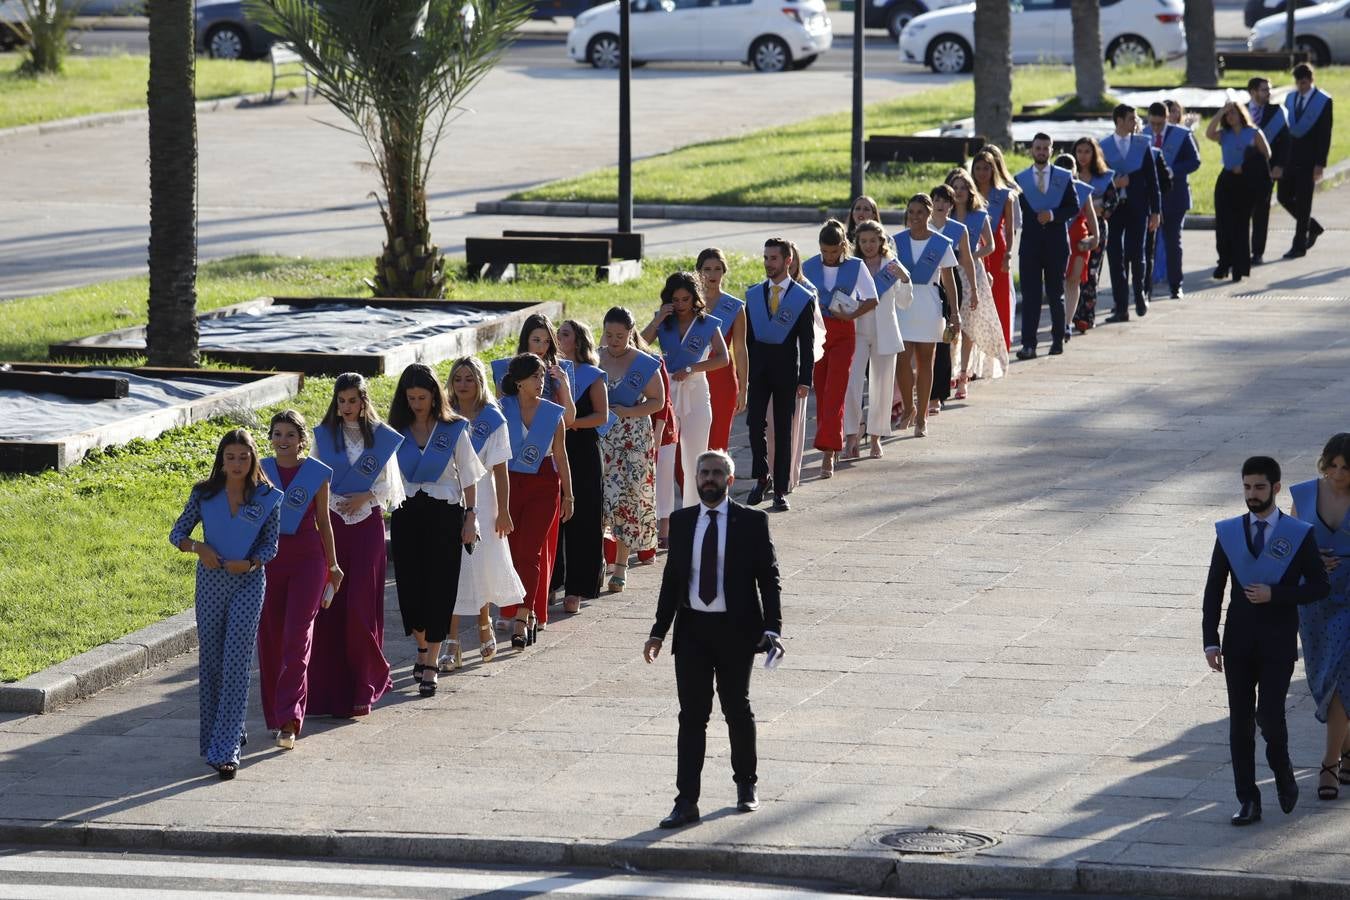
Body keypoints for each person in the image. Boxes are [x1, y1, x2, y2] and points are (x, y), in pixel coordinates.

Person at [643, 449, 784, 829]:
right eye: (703, 472)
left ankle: (746, 786)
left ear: (729, 480)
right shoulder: (683, 520)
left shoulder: (752, 522)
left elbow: (768, 578)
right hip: (692, 633)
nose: (708, 478)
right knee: (692, 717)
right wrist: (658, 631)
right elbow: (672, 580)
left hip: (736, 632)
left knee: (737, 710)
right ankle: (686, 800)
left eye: (716, 473)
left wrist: (773, 628)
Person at [1203, 456, 1329, 825]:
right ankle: (1248, 799)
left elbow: (1320, 586)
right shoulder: (1229, 533)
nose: (1252, 494)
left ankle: (1283, 769)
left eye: (1259, 487)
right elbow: (1214, 589)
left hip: (1276, 642)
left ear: (1275, 488)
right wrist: (1210, 640)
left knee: (1270, 717)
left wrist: (1277, 595)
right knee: (1240, 723)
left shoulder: (1298, 534)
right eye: (1246, 487)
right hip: (1238, 643)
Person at [169, 429, 281, 779]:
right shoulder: (205, 494)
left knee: (236, 663)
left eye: (243, 457)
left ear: (253, 459)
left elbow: (271, 546)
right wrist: (198, 548)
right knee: (213, 662)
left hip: (248, 583)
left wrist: (249, 563)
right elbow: (177, 534)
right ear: (221, 459)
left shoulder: (266, 497)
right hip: (211, 585)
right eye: (230, 457)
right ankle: (220, 736)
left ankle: (226, 749)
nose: (236, 463)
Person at [310, 373, 403, 719]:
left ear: (364, 401)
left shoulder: (380, 438)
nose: (347, 407)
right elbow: (315, 478)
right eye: (341, 401)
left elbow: (391, 487)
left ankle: (366, 683)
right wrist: (333, 501)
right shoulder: (324, 437)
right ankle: (330, 692)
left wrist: (365, 495)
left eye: (353, 400)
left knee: (361, 607)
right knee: (331, 607)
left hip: (366, 525)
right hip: (332, 525)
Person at [386, 363, 483, 696]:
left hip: (445, 513)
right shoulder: (395, 431)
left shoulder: (453, 428)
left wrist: (471, 517)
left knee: (440, 587)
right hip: (407, 514)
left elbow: (469, 476)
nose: (417, 403)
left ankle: (431, 662)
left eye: (422, 397)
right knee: (411, 590)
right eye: (411, 397)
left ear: (434, 395)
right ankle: (422, 647)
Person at [257, 410, 340, 751]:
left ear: (302, 439)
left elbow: (324, 520)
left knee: (297, 637)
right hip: (269, 560)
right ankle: (276, 714)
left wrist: (334, 565)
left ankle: (291, 718)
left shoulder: (316, 474)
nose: (283, 441)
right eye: (278, 434)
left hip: (308, 560)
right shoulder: (260, 470)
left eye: (290, 434)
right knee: (272, 639)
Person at [447, 357, 523, 665]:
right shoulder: (445, 416)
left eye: (469, 378)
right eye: (458, 378)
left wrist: (503, 511)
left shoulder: (493, 418)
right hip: (450, 498)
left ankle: (483, 623)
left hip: (484, 501)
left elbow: (501, 471)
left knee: (479, 565)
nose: (463, 384)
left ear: (480, 382)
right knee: (452, 569)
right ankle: (450, 637)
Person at [1288, 434, 1350, 801]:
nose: (1338, 473)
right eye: (1333, 465)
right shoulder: (1302, 495)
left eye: (1346, 468)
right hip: (1314, 599)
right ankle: (1347, 748)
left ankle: (1327, 764)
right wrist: (1311, 563)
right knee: (1324, 677)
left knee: (1343, 671)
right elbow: (1289, 547)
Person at [498, 353, 573, 646]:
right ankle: (518, 610)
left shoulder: (553, 413)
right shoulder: (502, 410)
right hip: (508, 482)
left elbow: (561, 456)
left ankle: (523, 617)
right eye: (534, 377)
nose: (540, 382)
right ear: (518, 382)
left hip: (543, 483)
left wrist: (569, 494)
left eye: (542, 376)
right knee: (511, 551)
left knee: (531, 552)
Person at [643, 272, 730, 506]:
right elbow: (639, 346)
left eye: (685, 299)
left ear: (694, 298)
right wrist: (658, 319)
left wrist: (692, 368)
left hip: (697, 391)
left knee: (695, 457)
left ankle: (694, 510)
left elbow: (723, 358)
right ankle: (664, 519)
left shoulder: (707, 323)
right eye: (676, 299)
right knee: (665, 458)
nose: (681, 305)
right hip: (667, 393)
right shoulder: (663, 321)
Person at [800, 219, 877, 477]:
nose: (829, 257)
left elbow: (872, 298)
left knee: (835, 391)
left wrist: (852, 313)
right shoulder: (808, 266)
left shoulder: (856, 267)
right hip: (819, 334)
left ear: (843, 246)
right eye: (825, 252)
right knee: (821, 392)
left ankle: (828, 452)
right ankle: (829, 444)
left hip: (844, 333)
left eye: (834, 252)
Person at [744, 238, 815, 511]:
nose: (768, 263)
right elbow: (748, 340)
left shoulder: (801, 297)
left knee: (784, 431)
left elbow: (806, 343)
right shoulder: (754, 295)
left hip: (787, 372)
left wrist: (805, 379)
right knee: (754, 426)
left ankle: (780, 489)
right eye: (765, 258)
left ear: (788, 261)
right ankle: (762, 477)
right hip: (759, 372)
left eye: (773, 258)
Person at [600, 308, 664, 591]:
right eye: (609, 334)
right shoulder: (595, 356)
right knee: (600, 499)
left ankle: (622, 565)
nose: (614, 340)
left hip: (632, 439)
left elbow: (658, 401)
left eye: (621, 336)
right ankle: (600, 559)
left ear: (631, 333)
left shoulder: (642, 362)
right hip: (601, 438)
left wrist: (629, 411)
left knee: (626, 498)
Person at [553, 319, 609, 614]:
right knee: (553, 519)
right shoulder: (548, 373)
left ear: (578, 340)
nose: (558, 337)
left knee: (583, 519)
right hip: (553, 450)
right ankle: (551, 583)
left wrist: (574, 423)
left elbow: (602, 415)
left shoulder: (592, 375)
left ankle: (578, 587)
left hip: (583, 450)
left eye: (564, 333)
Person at [894, 193, 958, 438]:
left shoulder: (940, 243)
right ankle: (909, 407)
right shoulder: (896, 240)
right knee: (902, 359)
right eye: (911, 212)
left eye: (920, 212)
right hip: (903, 304)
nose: (915, 217)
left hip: (929, 304)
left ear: (929, 214)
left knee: (925, 362)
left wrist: (954, 313)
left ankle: (922, 417)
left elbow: (948, 280)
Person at [1013, 134, 1078, 359]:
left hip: (1056, 244)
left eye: (1045, 148)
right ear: (1031, 150)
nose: (1041, 151)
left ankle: (1057, 340)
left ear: (1051, 150)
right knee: (1030, 296)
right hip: (1030, 246)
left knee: (1055, 294)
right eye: (1037, 148)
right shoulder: (1020, 179)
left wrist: (1052, 215)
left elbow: (1074, 206)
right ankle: (1028, 345)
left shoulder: (1063, 177)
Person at [847, 219, 906, 459]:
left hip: (885, 332)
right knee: (851, 385)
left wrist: (904, 278)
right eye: (864, 241)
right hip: (858, 331)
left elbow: (904, 302)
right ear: (857, 243)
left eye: (873, 240)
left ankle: (875, 438)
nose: (869, 245)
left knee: (881, 387)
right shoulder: (851, 266)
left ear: (881, 241)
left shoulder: (891, 265)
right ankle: (851, 435)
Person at [945, 167, 1007, 392]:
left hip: (972, 273)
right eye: (955, 188)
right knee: (952, 322)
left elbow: (990, 245)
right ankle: (950, 370)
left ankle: (964, 375)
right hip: (950, 271)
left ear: (970, 191)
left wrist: (971, 256)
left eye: (963, 187)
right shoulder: (945, 215)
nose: (959, 191)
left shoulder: (979, 215)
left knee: (969, 325)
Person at [1101, 105, 1161, 322]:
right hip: (1114, 209)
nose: (1135, 122)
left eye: (1136, 119)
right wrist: (1115, 183)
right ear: (1118, 120)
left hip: (1138, 207)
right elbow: (1100, 179)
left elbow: (1153, 180)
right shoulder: (1104, 146)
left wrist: (1156, 211)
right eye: (1130, 119)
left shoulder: (1141, 144)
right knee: (1115, 256)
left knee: (1137, 253)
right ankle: (1121, 306)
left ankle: (1141, 293)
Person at [1206, 101, 1270, 284]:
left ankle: (1239, 267)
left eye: (1233, 113)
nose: (1230, 116)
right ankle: (1224, 263)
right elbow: (1209, 133)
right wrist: (1220, 111)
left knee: (1240, 226)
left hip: (1245, 183)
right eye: (1228, 114)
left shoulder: (1253, 133)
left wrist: (1246, 166)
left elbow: (1266, 154)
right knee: (1223, 225)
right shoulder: (1224, 135)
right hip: (1226, 181)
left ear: (1241, 114)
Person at [1147, 100, 1200, 300]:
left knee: (1172, 242)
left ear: (1167, 118)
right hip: (1150, 199)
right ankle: (1146, 285)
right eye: (1153, 123)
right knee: (1147, 244)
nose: (1156, 128)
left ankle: (1175, 285)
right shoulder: (1142, 134)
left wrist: (1173, 170)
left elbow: (1195, 161)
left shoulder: (1180, 135)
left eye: (1160, 124)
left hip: (1175, 196)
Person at [1278, 63, 1333, 259]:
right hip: (1289, 158)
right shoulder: (1290, 98)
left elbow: (1325, 134)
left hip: (1309, 160)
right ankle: (1313, 226)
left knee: (1303, 202)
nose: (1301, 87)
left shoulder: (1323, 101)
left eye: (1304, 82)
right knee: (1283, 197)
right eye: (1298, 83)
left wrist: (1320, 163)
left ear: (1311, 80)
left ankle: (1299, 246)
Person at [697, 249, 749, 453]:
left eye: (717, 269)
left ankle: (717, 484)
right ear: (698, 272)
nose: (712, 274)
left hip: (723, 382)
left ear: (724, 272)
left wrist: (744, 388)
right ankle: (689, 485)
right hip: (692, 378)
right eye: (707, 269)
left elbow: (740, 349)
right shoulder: (687, 303)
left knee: (717, 444)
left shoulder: (734, 307)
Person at [928, 186, 972, 413]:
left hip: (950, 280)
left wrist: (973, 288)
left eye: (946, 201)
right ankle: (920, 391)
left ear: (952, 205)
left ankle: (937, 394)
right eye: (936, 199)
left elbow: (967, 260)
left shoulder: (958, 229)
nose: (940, 204)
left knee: (943, 339)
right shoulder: (920, 227)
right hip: (925, 282)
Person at [1070, 137, 1119, 334]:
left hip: (1096, 228)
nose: (1083, 156)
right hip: (1073, 230)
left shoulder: (1103, 177)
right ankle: (1071, 313)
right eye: (1079, 151)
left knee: (1091, 273)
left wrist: (1100, 209)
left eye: (1087, 151)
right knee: (1074, 272)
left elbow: (1113, 202)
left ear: (1094, 154)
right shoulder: (1068, 176)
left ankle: (1086, 317)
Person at [970, 148, 1017, 351]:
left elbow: (1009, 230)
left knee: (1000, 298)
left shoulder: (1005, 196)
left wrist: (1008, 255)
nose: (982, 173)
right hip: (975, 250)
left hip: (997, 250)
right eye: (978, 168)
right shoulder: (968, 194)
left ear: (993, 170)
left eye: (986, 168)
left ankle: (1001, 345)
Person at [1246, 77, 1290, 266]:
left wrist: (1279, 165)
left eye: (1269, 89)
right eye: (1264, 90)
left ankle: (1257, 252)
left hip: (1266, 169)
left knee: (1261, 212)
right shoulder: (1240, 111)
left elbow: (1286, 142)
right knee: (1239, 212)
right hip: (1241, 169)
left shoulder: (1276, 112)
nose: (1268, 93)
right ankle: (1238, 251)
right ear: (1253, 92)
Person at [1056, 152, 1100, 342]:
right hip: (1056, 241)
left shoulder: (1082, 190)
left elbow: (1090, 216)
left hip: (1079, 243)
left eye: (1070, 168)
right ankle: (1061, 321)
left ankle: (1066, 323)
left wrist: (1095, 237)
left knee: (1073, 282)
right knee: (1058, 284)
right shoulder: (1051, 189)